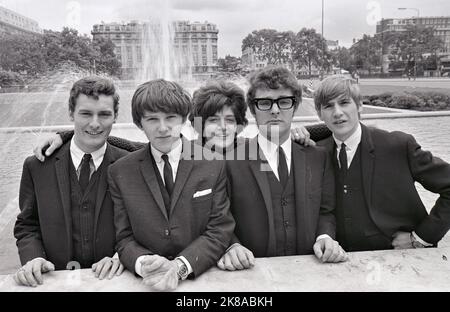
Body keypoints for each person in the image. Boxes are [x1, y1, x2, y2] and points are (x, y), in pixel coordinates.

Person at [107, 79, 235, 291]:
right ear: (139, 123)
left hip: (200, 280)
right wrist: (144, 264)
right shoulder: (120, 171)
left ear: (184, 119)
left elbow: (219, 229)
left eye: (171, 118)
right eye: (152, 119)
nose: (163, 128)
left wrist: (180, 267)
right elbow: (123, 237)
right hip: (146, 281)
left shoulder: (213, 163)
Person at [218, 66, 346, 271]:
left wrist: (325, 236)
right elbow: (221, 216)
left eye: (284, 102)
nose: (275, 110)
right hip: (252, 273)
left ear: (294, 107)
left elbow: (326, 210)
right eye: (265, 103)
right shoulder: (230, 162)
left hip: (312, 269)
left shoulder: (318, 157)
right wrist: (232, 245)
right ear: (253, 109)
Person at [313, 75, 450, 252]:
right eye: (328, 106)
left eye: (344, 102)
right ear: (319, 113)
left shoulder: (398, 146)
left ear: (360, 105)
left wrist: (421, 237)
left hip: (399, 258)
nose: (337, 112)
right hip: (342, 261)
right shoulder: (317, 152)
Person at [13, 76, 127, 287]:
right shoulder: (37, 166)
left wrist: (122, 256)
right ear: (71, 113)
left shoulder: (130, 165)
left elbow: (142, 225)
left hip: (115, 281)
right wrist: (33, 257)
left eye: (104, 114)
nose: (95, 123)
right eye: (85, 114)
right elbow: (27, 224)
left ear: (115, 116)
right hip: (54, 282)